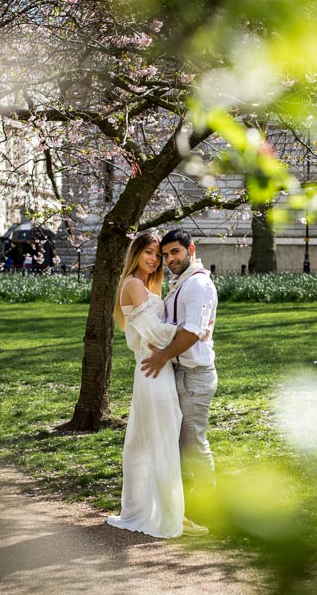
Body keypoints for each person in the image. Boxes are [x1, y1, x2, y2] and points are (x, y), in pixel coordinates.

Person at [107, 232, 207, 539]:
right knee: (161, 444)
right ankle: (170, 516)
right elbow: (153, 333)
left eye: (158, 255)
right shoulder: (133, 285)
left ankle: (157, 509)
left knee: (151, 443)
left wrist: (188, 331)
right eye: (148, 252)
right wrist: (191, 330)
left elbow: (155, 332)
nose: (154, 259)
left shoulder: (147, 286)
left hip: (155, 368)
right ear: (135, 253)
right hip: (153, 369)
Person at [142, 229, 219, 505]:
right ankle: (185, 501)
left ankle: (208, 503)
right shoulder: (181, 283)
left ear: (191, 249)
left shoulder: (197, 284)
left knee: (193, 443)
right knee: (179, 442)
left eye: (175, 252)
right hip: (180, 372)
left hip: (195, 375)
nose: (170, 259)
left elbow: (192, 332)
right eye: (165, 255)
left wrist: (163, 355)